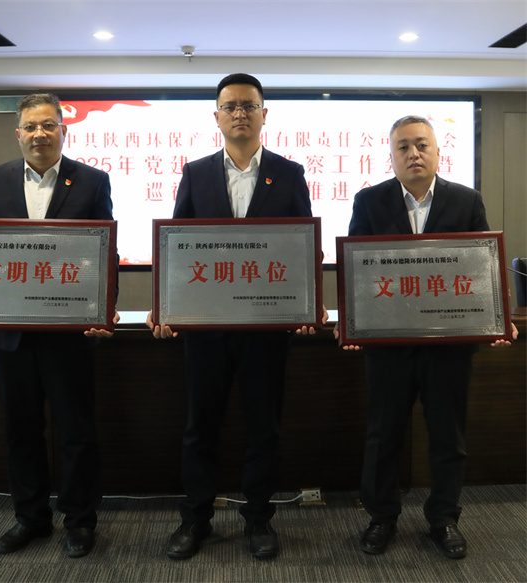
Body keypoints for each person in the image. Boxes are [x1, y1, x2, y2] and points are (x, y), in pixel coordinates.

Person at [147, 73, 326, 560]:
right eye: (231, 106)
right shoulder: (196, 173)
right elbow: (176, 244)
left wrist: (309, 300)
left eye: (249, 105)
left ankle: (259, 519)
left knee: (264, 428)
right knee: (200, 427)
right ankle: (195, 519)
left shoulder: (289, 173)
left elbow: (305, 243)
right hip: (206, 327)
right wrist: (164, 304)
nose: (240, 113)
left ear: (265, 114)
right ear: (217, 116)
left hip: (266, 328)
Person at [0, 93, 119, 559]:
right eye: (31, 127)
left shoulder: (93, 180)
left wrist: (107, 309)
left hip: (69, 332)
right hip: (10, 335)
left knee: (76, 431)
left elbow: (107, 251)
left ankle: (80, 522)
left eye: (48, 125)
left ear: (63, 130)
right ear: (18, 133)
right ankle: (31, 518)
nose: (40, 133)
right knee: (20, 431)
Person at [335, 115, 518, 559]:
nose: (413, 153)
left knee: (447, 436)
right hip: (388, 345)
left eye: (421, 145)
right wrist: (350, 317)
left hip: (449, 344)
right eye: (403, 147)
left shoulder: (466, 200)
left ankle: (444, 519)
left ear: (438, 151)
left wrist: (499, 315)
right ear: (391, 155)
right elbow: (355, 268)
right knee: (383, 435)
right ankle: (381, 517)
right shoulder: (370, 200)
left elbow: (482, 265)